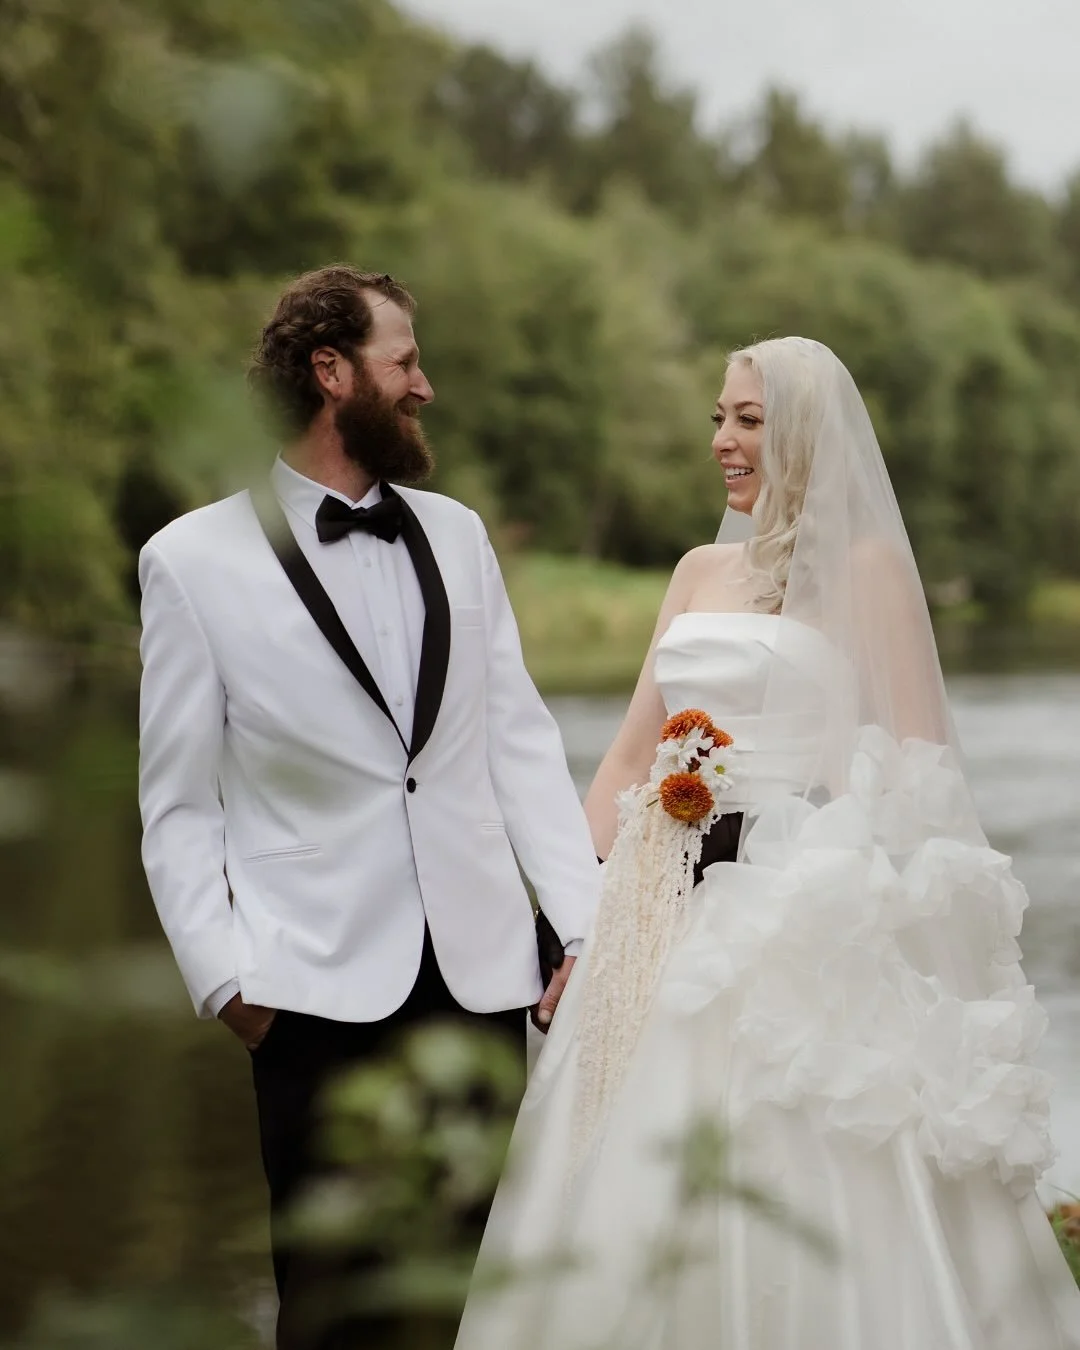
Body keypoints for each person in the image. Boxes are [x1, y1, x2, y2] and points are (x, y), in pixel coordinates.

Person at [454, 337, 1080, 1349]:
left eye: (748, 420)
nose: (723, 441)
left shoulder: (865, 572)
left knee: (803, 1157)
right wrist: (573, 924)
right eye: (718, 418)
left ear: (803, 438)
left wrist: (865, 910)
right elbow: (624, 763)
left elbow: (916, 770)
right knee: (621, 1170)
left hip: (793, 909)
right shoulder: (698, 569)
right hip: (654, 914)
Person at [136, 265, 600, 1349]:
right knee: (333, 1311)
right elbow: (175, 805)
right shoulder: (191, 561)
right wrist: (231, 985)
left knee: (473, 1298)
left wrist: (582, 929)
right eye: (405, 363)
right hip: (309, 993)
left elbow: (519, 748)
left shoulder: (459, 536)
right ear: (330, 371)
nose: (425, 387)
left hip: (484, 982)